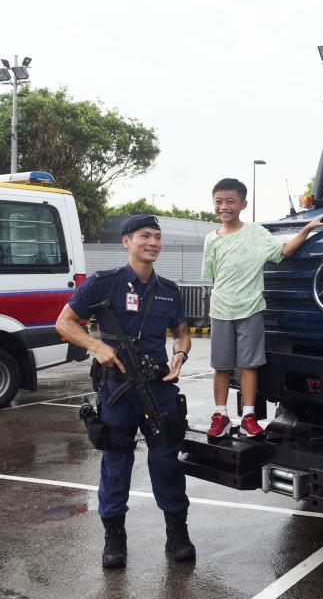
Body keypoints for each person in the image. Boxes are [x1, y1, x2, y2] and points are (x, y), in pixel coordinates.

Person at [55, 214, 195, 568]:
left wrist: (180, 354)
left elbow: (182, 332)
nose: (153, 242)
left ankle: (177, 531)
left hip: (158, 388)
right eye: (145, 236)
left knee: (166, 461)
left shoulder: (169, 291)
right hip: (117, 390)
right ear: (126, 241)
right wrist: (96, 347)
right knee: (116, 462)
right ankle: (114, 536)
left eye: (157, 237)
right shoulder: (104, 284)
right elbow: (64, 322)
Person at [202, 178, 323, 438]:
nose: (224, 206)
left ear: (242, 204)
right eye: (219, 201)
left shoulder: (256, 233)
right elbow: (214, 276)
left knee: (249, 366)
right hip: (221, 311)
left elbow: (284, 250)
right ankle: (221, 415)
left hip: (251, 310)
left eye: (230, 201)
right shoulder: (210, 240)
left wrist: (307, 229)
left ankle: (249, 417)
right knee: (221, 366)